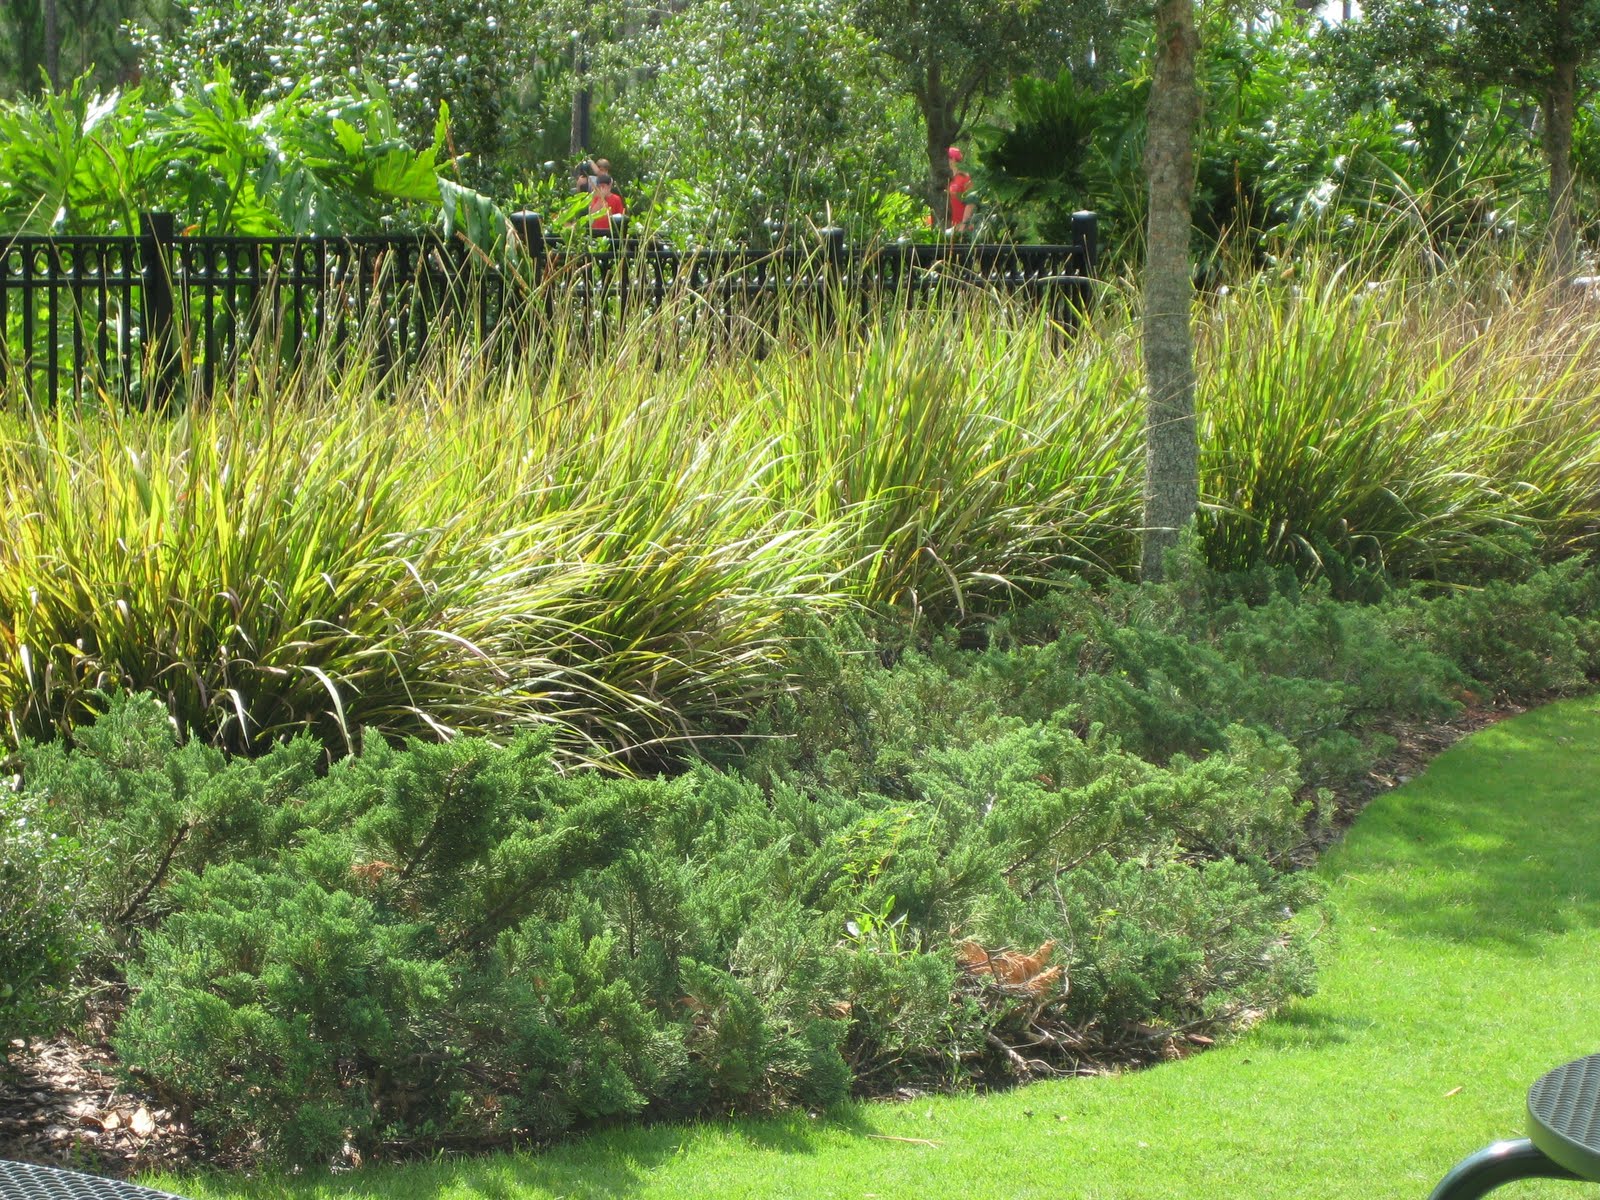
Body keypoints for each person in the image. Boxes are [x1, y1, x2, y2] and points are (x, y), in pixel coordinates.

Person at [947, 146, 972, 230]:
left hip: (960, 226)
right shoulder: (943, 178)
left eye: (947, 157)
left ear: (953, 159)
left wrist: (964, 224)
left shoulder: (965, 178)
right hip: (946, 225)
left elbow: (970, 203)